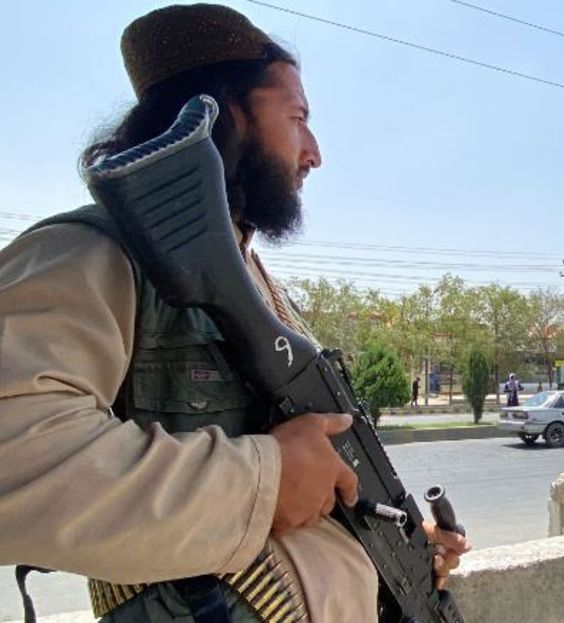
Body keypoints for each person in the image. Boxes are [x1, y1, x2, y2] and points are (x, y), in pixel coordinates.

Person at [0, 5, 469, 621]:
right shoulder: (93, 251)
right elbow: (16, 453)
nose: (315, 153)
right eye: (297, 118)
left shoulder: (250, 280)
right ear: (224, 115)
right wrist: (263, 480)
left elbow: (314, 487)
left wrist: (400, 544)